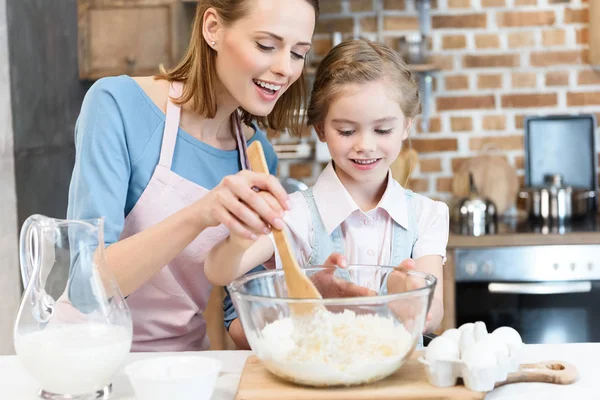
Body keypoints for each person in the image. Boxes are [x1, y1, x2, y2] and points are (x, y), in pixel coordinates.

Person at [66, 0, 321, 351]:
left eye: (298, 53)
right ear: (212, 28)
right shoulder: (117, 105)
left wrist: (317, 301)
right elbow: (86, 286)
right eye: (266, 45)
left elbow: (238, 318)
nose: (284, 69)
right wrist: (202, 213)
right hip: (88, 358)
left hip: (184, 366)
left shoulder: (257, 158)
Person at [205, 39, 449, 336]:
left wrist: (410, 297)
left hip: (399, 383)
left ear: (406, 126)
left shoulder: (427, 215)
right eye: (346, 131)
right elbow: (218, 272)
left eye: (383, 130)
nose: (365, 145)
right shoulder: (294, 214)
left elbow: (434, 316)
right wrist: (242, 234)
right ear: (321, 129)